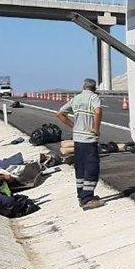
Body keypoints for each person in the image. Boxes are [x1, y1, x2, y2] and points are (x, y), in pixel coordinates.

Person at [57, 78, 103, 210]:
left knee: (80, 168)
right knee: (92, 168)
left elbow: (60, 113)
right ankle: (87, 199)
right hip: (89, 139)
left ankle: (81, 196)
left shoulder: (76, 98)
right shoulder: (94, 98)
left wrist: (73, 126)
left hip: (77, 139)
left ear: (83, 87)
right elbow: (98, 111)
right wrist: (96, 128)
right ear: (94, 88)